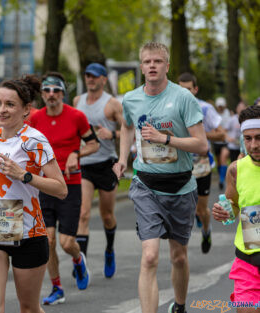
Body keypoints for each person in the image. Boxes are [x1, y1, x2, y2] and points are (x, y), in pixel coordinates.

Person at [113, 42, 208, 313]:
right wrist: (122, 160)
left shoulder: (183, 98)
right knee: (150, 256)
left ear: (167, 66)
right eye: (147, 61)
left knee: (178, 257)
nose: (152, 65)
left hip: (181, 185)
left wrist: (167, 139)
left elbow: (202, 146)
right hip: (146, 184)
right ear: (141, 67)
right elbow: (127, 125)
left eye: (158, 61)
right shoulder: (131, 98)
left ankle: (179, 305)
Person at [0, 75, 67, 313]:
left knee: (28, 308)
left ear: (26, 110)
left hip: (28, 233)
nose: (2, 110)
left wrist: (25, 175)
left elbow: (61, 189)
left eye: (9, 104)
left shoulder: (35, 140)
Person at [29, 72, 99, 304]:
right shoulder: (35, 118)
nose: (51, 95)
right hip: (44, 186)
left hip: (70, 186)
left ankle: (78, 260)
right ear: (42, 94)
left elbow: (94, 143)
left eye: (56, 90)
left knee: (66, 242)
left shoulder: (77, 116)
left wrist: (75, 154)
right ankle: (57, 287)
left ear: (62, 93)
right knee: (47, 240)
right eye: (47, 91)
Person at [73, 63, 123, 278]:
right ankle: (81, 263)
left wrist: (112, 135)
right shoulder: (78, 101)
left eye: (94, 76)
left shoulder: (112, 104)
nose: (90, 79)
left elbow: (129, 132)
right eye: (87, 76)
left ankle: (110, 250)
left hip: (106, 164)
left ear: (103, 79)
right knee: (83, 213)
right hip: (84, 164)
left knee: (107, 216)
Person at [212, 105, 260, 313]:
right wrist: (224, 213)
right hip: (247, 262)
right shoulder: (236, 169)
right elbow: (233, 209)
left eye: (259, 137)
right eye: (248, 139)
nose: (254, 145)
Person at [178, 72, 225, 254]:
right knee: (184, 209)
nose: (185, 93)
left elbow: (221, 134)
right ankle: (181, 248)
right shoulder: (172, 107)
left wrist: (199, 136)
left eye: (188, 89)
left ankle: (206, 230)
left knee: (202, 209)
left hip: (202, 165)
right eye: (181, 89)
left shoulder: (205, 108)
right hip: (180, 165)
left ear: (195, 89)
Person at [214, 96, 231, 190]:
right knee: (219, 162)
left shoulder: (228, 113)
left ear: (225, 105)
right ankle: (221, 176)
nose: (220, 107)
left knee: (223, 158)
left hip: (225, 141)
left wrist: (221, 131)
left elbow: (227, 128)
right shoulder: (214, 114)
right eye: (219, 106)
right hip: (216, 141)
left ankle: (221, 180)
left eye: (222, 106)